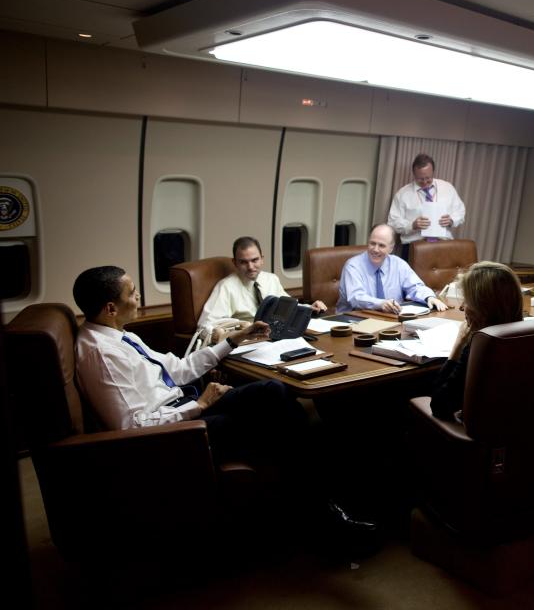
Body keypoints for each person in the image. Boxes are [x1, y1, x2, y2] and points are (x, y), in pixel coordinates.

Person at [73, 265, 377, 537]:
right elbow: (130, 426)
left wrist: (234, 340)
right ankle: (325, 509)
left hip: (182, 407)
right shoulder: (101, 354)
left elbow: (177, 370)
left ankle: (317, 491)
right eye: (132, 293)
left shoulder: (122, 336)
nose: (138, 297)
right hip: (169, 436)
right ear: (111, 308)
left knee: (273, 391)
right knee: (274, 424)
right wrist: (200, 405)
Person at [430, 261, 524, 421]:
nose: (462, 307)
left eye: (467, 301)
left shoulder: (482, 346)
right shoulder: (525, 337)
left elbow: (439, 406)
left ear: (482, 306)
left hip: (478, 432)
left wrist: (459, 344)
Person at [197, 236, 326, 332]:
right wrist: (241, 327)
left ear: (262, 259)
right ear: (235, 262)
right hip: (246, 338)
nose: (250, 267)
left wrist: (309, 308)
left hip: (275, 333)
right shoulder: (226, 287)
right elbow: (205, 325)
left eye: (255, 260)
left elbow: (289, 306)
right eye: (243, 262)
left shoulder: (271, 279)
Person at [337, 224, 448, 314]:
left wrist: (429, 297)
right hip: (354, 321)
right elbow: (356, 298)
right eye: (372, 243)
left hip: (390, 321)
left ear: (391, 248)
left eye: (381, 245)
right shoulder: (353, 266)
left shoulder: (398, 264)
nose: (375, 249)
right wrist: (381, 304)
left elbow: (415, 287)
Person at [387, 153, 466, 259]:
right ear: (414, 174)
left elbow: (460, 212)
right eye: (420, 178)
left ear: (433, 172)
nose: (424, 182)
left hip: (444, 245)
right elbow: (392, 222)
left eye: (428, 178)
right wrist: (411, 225)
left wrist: (451, 220)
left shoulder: (448, 188)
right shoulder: (402, 194)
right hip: (413, 247)